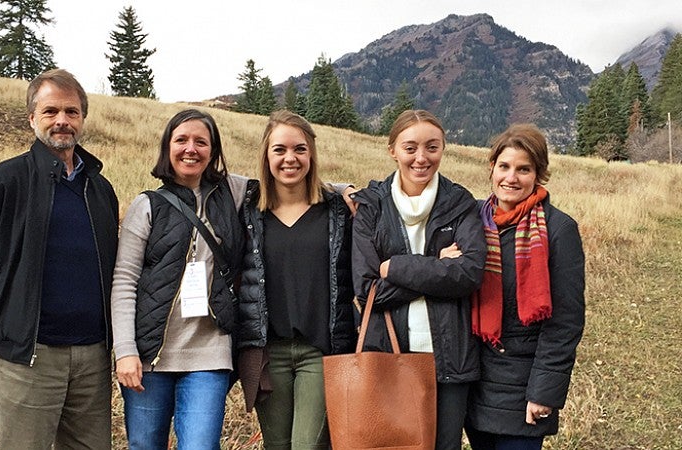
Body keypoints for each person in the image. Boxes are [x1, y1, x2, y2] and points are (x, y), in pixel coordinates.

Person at [0, 68, 119, 449]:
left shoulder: (100, 188)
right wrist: (9, 320)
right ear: (32, 118)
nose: (62, 121)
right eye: (51, 111)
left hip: (93, 357)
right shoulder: (1, 183)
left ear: (83, 119)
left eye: (72, 112)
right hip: (29, 357)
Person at [110, 109, 248, 450]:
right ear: (167, 148)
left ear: (213, 152)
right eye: (181, 140)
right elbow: (125, 280)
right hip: (150, 357)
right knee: (144, 445)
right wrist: (126, 351)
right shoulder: (148, 205)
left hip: (209, 355)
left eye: (201, 142)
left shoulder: (233, 192)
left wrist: (342, 189)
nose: (191, 149)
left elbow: (289, 184)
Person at [351, 109, 486, 450]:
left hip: (449, 359)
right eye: (410, 148)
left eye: (432, 147)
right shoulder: (371, 206)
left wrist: (394, 267)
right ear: (392, 150)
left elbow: (469, 273)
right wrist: (434, 266)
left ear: (443, 148)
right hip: (386, 353)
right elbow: (369, 290)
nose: (421, 158)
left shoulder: (459, 202)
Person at [236, 110, 355, 449]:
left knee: (308, 445)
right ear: (266, 155)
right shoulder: (248, 211)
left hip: (321, 351)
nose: (290, 158)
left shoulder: (337, 210)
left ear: (311, 153)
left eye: (300, 149)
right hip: (267, 352)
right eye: (280, 150)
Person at [464, 124, 585, 450]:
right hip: (475, 384)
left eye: (523, 169)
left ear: (539, 174)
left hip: (524, 388)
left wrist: (544, 392)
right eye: (504, 166)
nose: (511, 178)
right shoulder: (470, 218)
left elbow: (565, 323)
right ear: (491, 168)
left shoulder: (558, 229)